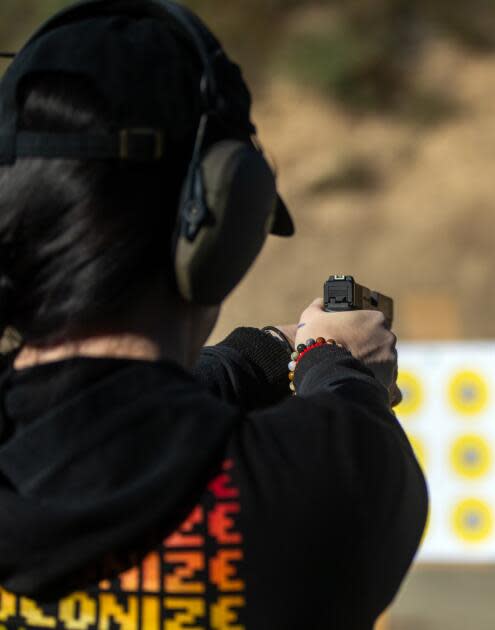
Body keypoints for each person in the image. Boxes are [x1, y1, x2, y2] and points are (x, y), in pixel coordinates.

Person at [0, 1, 427, 628]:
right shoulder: (312, 485)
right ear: (221, 230)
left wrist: (263, 352)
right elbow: (347, 440)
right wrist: (335, 364)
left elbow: (91, 424)